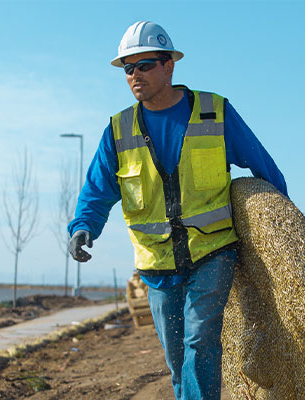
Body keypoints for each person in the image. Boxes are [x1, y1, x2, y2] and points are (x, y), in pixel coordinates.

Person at [67, 21, 287, 400]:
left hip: (212, 252)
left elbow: (262, 166)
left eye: (144, 65)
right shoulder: (118, 130)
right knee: (176, 356)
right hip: (155, 264)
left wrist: (280, 225)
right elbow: (97, 189)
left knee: (200, 340)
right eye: (128, 68)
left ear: (169, 66)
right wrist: (83, 226)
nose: (135, 75)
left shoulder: (213, 112)